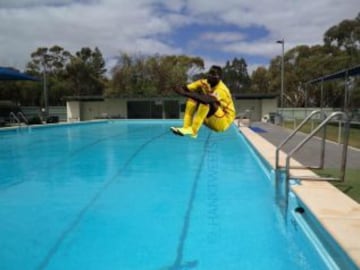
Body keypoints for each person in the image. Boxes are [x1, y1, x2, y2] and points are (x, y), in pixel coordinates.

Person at [170, 65, 236, 138]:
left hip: (223, 122)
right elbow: (186, 88)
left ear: (219, 78)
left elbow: (207, 100)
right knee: (192, 100)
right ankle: (186, 128)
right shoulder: (203, 82)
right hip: (210, 118)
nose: (210, 76)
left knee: (205, 100)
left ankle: (193, 130)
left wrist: (185, 93)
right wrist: (177, 87)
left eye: (213, 74)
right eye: (209, 73)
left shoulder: (222, 89)